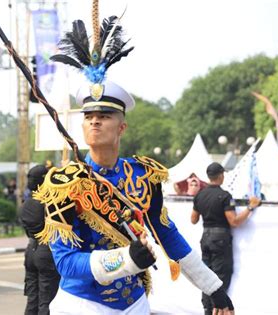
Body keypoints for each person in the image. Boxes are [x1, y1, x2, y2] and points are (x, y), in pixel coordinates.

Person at [33, 16, 235, 314]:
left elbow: (167, 234)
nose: (95, 121)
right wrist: (127, 260)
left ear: (122, 127)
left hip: (136, 302)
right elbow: (65, 262)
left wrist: (213, 287)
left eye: (104, 115)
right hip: (84, 305)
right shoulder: (64, 184)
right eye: (89, 116)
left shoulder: (142, 175)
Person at [191, 162, 261, 315]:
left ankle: (207, 310)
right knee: (220, 277)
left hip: (205, 238)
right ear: (221, 176)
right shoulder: (224, 196)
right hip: (220, 239)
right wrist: (250, 207)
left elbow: (194, 219)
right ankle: (218, 309)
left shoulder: (200, 195)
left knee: (206, 275)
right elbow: (234, 221)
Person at [20, 165, 60, 315]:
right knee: (46, 301)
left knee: (32, 300)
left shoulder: (26, 203)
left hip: (31, 250)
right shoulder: (50, 203)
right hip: (46, 251)